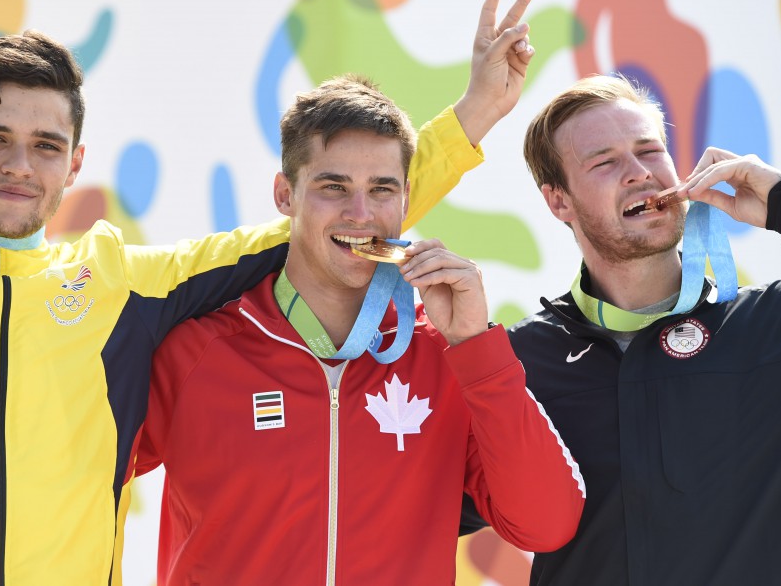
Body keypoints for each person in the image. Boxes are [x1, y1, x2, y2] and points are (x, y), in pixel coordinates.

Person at [0, 0, 537, 585]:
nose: (17, 165)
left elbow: (334, 222)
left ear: (75, 161)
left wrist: (472, 117)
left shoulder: (118, 285)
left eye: (45, 145)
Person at [128, 76, 584, 585]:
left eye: (381, 189)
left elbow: (545, 524)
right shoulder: (194, 353)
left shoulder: (445, 357)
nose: (360, 214)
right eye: (333, 187)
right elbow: (77, 488)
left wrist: (476, 346)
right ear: (285, 194)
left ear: (407, 199)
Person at [490, 73, 781, 585]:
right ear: (558, 201)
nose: (638, 173)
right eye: (605, 161)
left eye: (650, 151)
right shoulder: (517, 363)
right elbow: (419, 512)